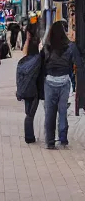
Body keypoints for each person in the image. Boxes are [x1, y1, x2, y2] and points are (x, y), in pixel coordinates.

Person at [42, 20, 85, 149]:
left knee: (50, 113)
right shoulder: (70, 46)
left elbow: (42, 65)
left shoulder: (47, 47)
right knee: (62, 112)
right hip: (64, 82)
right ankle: (63, 139)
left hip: (49, 82)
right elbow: (79, 64)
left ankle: (50, 142)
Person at [16, 26, 43, 143]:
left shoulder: (23, 61)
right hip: (34, 90)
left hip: (24, 89)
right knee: (30, 115)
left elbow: (24, 51)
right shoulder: (38, 59)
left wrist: (27, 39)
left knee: (28, 113)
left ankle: (30, 136)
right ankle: (29, 137)